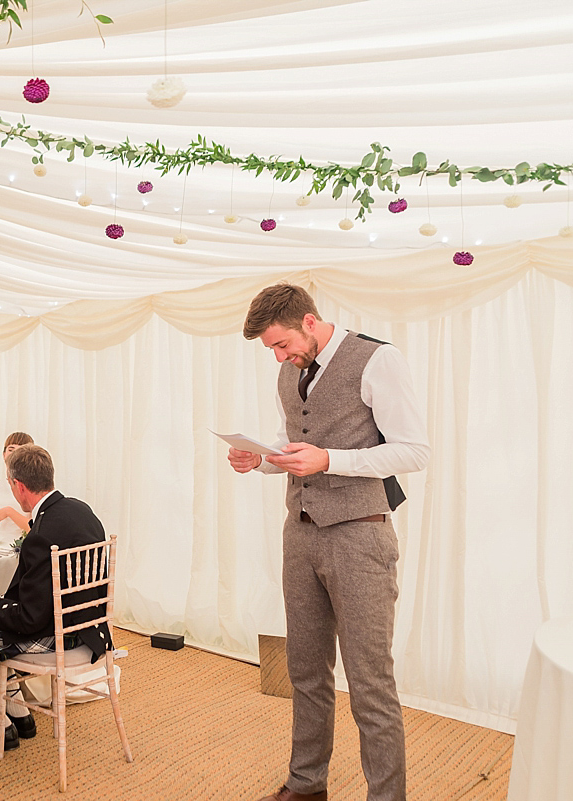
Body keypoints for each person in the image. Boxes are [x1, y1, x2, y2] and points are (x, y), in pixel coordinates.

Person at [227, 283, 430, 801]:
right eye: (272, 349)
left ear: (310, 322)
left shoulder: (378, 361)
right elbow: (290, 440)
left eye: (282, 344)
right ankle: (306, 785)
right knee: (306, 671)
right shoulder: (289, 370)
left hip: (361, 537)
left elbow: (414, 451)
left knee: (370, 684)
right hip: (300, 534)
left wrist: (331, 459)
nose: (279, 356)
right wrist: (262, 458)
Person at [0, 444, 114, 751]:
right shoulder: (80, 510)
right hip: (89, 629)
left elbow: (28, 618)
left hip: (61, 638)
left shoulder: (42, 533)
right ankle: (20, 716)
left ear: (19, 487)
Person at [0, 432, 33, 537]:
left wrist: (9, 512)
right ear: (4, 454)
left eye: (20, 451)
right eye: (11, 450)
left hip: (15, 547)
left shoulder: (32, 486)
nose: (14, 454)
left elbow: (33, 528)